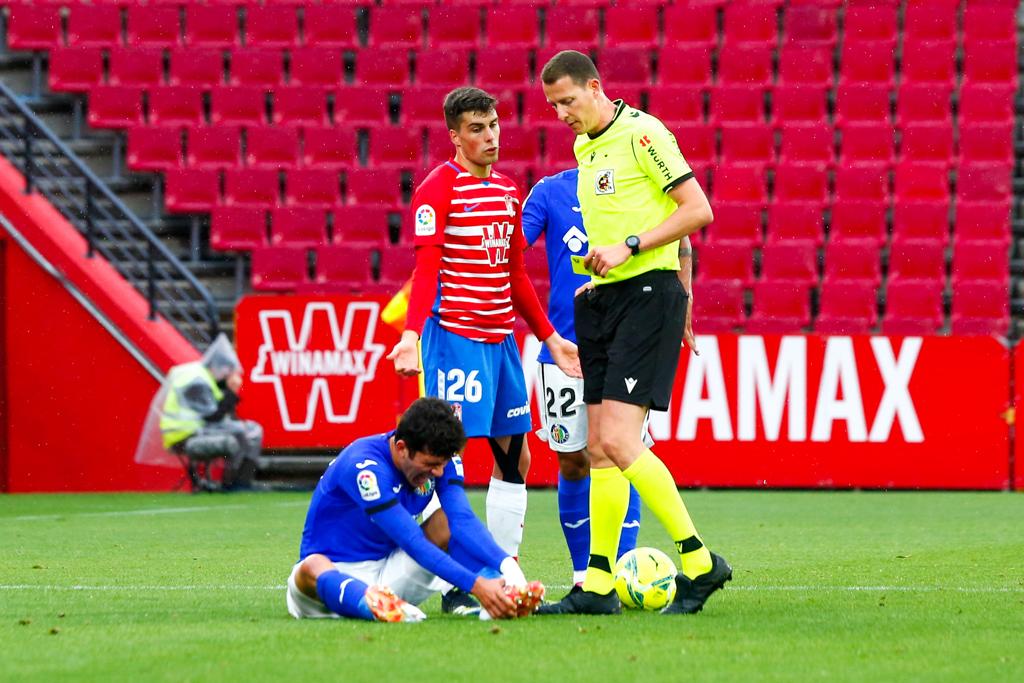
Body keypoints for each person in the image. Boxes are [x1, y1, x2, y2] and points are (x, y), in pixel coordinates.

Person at [536, 51, 730, 616]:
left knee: (620, 443)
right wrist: (597, 275)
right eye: (554, 106)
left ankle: (699, 562)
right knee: (598, 451)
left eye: (569, 101)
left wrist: (631, 247)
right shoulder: (584, 147)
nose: (563, 114)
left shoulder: (644, 133)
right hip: (605, 299)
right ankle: (597, 586)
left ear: (595, 88)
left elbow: (698, 210)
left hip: (648, 294)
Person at [385, 87, 581, 613]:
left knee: (516, 456)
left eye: (493, 125)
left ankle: (501, 572)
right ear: (454, 135)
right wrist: (409, 335)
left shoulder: (508, 192)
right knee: (444, 458)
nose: (490, 136)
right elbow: (426, 271)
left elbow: (515, 273)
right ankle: (453, 583)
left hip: (501, 343)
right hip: (454, 341)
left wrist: (549, 337)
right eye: (476, 128)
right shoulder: (435, 191)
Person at [286, 397, 544, 622]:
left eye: (442, 465)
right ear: (401, 448)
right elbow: (412, 541)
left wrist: (510, 571)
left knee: (444, 521)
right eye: (431, 465)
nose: (438, 473)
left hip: (390, 576)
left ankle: (503, 593)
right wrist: (476, 587)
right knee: (312, 565)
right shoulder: (365, 469)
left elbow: (461, 520)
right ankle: (369, 603)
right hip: (325, 586)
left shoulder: (440, 456)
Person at [522, 168, 645, 588]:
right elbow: (509, 245)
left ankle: (622, 570)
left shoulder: (637, 183)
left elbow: (677, 239)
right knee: (573, 462)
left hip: (626, 345)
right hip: (565, 351)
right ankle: (582, 575)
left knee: (623, 455)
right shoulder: (549, 190)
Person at [159, 339, 262, 491]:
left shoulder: (199, 375)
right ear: (219, 366)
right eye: (227, 370)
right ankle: (236, 484)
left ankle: (238, 482)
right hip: (185, 435)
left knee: (250, 429)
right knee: (246, 433)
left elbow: (213, 415)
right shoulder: (198, 380)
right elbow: (213, 417)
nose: (227, 374)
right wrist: (232, 391)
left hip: (185, 432)